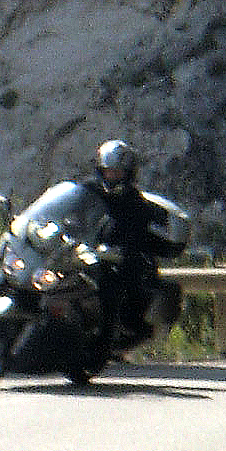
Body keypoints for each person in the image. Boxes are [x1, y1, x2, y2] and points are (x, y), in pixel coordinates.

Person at [78, 138, 156, 343]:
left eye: (117, 172)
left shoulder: (134, 201)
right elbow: (70, 208)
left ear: (127, 173)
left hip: (114, 258)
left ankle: (106, 339)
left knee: (110, 287)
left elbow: (137, 234)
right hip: (82, 251)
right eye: (108, 171)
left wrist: (121, 250)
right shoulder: (88, 190)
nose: (112, 176)